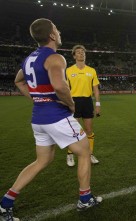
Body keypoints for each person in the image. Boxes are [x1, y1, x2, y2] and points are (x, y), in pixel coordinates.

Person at [0, 18, 102, 221]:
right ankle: (85, 198)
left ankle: (5, 204)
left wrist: (37, 99)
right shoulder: (55, 58)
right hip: (57, 117)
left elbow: (18, 81)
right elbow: (60, 86)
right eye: (57, 29)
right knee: (84, 152)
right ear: (52, 35)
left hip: (38, 119)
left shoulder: (29, 58)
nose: (59, 31)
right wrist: (71, 105)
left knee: (42, 160)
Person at [65, 45, 101, 166]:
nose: (81, 54)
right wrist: (67, 103)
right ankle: (70, 155)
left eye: (83, 52)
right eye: (78, 52)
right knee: (74, 131)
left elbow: (95, 88)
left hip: (87, 102)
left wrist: (97, 103)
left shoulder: (91, 70)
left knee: (89, 130)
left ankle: (90, 154)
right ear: (74, 56)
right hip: (73, 102)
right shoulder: (68, 70)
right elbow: (65, 88)